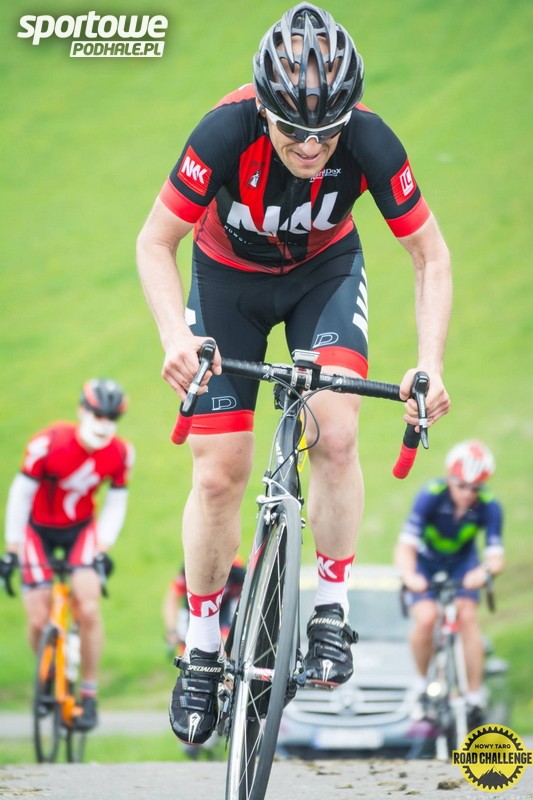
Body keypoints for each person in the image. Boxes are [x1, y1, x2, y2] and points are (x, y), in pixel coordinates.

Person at [136, 2, 452, 746]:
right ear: (263, 109)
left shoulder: (371, 140)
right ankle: (203, 648)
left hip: (323, 276)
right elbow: (155, 242)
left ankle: (330, 612)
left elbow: (430, 255)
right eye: (292, 132)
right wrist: (175, 334)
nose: (311, 146)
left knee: (335, 431)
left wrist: (430, 363)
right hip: (226, 282)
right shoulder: (223, 131)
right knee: (219, 472)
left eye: (327, 133)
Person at [0, 379, 134, 731]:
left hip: (80, 530)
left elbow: (116, 503)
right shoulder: (47, 444)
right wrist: (12, 549)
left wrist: (102, 547)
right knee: (37, 618)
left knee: (88, 607)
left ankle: (88, 692)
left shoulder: (121, 453)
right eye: (97, 414)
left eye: (112, 417)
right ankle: (47, 673)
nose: (103, 423)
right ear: (81, 411)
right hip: (38, 530)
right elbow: (20, 496)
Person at [394, 440, 504, 727]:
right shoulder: (431, 495)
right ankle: (421, 684)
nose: (467, 494)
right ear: (449, 477)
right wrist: (410, 576)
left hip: (462, 565)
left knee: (467, 616)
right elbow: (405, 546)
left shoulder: (490, 506)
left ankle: (474, 695)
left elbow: (495, 557)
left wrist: (484, 572)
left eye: (475, 488)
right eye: (461, 485)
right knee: (426, 618)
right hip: (426, 564)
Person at [163, 558, 246, 655]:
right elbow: (172, 598)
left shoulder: (236, 568)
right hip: (193, 609)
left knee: (225, 646)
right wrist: (172, 630)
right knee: (189, 651)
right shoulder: (190, 567)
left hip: (223, 608)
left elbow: (246, 602)